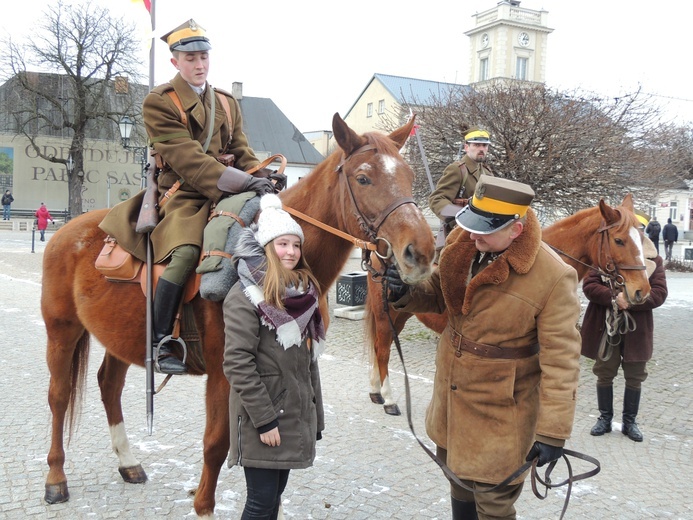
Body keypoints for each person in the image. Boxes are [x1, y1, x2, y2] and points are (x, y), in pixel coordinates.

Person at [386, 176, 581, 520]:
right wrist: (405, 291)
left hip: (501, 413)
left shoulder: (554, 276)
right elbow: (440, 293)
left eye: (483, 229)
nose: (472, 235)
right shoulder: (466, 240)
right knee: (458, 484)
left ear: (515, 230)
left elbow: (561, 362)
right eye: (470, 224)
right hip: (451, 398)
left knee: (492, 504)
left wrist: (553, 432)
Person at [99, 19, 277, 375]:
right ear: (175, 62)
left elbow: (242, 150)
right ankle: (160, 340)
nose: (199, 65)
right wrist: (242, 181)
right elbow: (188, 159)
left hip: (228, 191)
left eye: (203, 57)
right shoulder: (159, 102)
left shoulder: (226, 102)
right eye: (191, 57)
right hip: (184, 195)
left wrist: (262, 176)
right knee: (185, 254)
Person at [223, 193, 325, 520]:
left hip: (294, 414)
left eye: (296, 245)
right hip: (264, 418)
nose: (291, 252)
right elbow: (237, 363)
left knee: (272, 502)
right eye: (282, 244)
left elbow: (307, 364)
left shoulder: (303, 294)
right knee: (260, 503)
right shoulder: (245, 296)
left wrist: (315, 416)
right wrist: (265, 419)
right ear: (267, 247)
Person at [581, 234, 667, 442]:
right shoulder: (604, 256)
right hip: (606, 326)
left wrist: (630, 300)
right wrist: (613, 298)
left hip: (637, 331)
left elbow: (660, 292)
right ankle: (605, 419)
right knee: (604, 371)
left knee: (635, 375)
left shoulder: (653, 260)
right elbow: (589, 285)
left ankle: (630, 423)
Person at [428, 128, 494, 258]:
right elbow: (436, 200)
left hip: (483, 235)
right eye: (476, 145)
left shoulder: (487, 172)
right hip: (458, 237)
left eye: (484, 145)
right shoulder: (458, 170)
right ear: (466, 147)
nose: (481, 149)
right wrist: (460, 218)